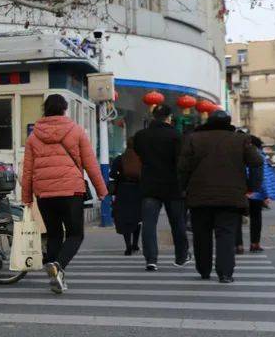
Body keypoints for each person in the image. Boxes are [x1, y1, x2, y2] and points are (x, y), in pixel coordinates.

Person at [21, 94, 108, 294]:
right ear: (64, 109)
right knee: (75, 234)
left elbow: (28, 171)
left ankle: (57, 274)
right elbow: (91, 164)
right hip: (71, 192)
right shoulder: (76, 131)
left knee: (54, 236)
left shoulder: (34, 136)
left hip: (44, 195)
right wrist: (102, 191)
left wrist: (26, 197)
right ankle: (58, 266)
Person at [177, 110, 263, 283]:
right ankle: (225, 273)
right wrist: (251, 186)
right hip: (231, 196)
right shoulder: (240, 139)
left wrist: (184, 188)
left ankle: (204, 270)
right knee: (226, 234)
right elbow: (257, 162)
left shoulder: (194, 139)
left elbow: (183, 167)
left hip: (199, 196)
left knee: (201, 234)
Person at [132, 104, 190, 271]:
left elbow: (139, 154)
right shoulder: (176, 136)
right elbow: (181, 162)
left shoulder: (141, 136)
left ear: (153, 116)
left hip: (150, 185)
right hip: (173, 186)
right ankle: (181, 257)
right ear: (168, 117)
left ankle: (151, 259)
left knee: (149, 224)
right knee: (177, 223)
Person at [235, 135, 275, 252]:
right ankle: (254, 244)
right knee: (256, 218)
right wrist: (266, 195)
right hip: (255, 193)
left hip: (239, 192)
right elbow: (263, 178)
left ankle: (238, 245)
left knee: (236, 218)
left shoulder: (235, 155)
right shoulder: (259, 156)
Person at [109, 137, 143, 255]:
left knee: (125, 219)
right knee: (137, 218)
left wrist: (121, 177)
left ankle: (128, 246)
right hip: (138, 191)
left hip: (123, 191)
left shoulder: (119, 159)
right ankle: (135, 244)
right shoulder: (141, 158)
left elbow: (112, 174)